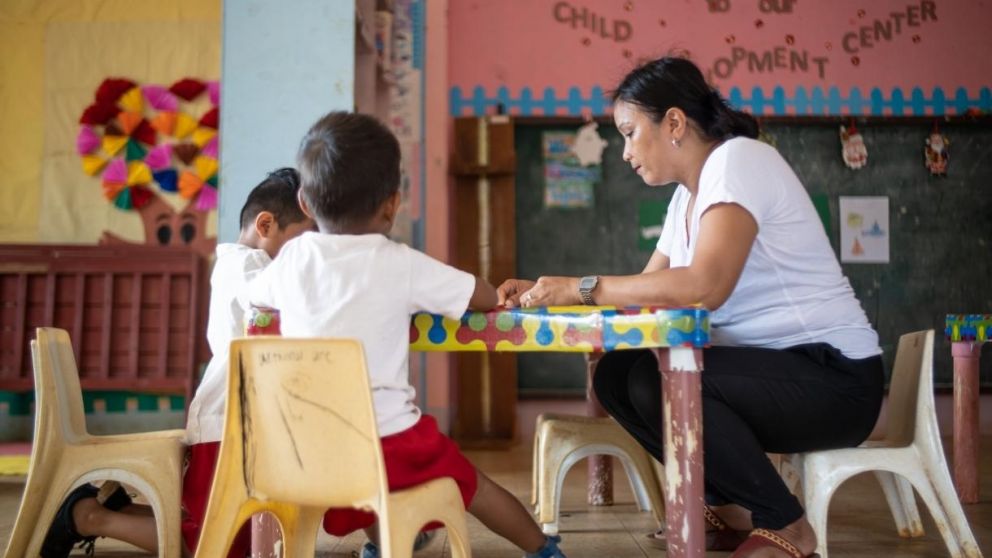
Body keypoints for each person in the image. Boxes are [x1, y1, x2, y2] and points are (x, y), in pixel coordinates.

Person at [497, 56, 883, 558]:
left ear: (674, 123)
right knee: (619, 375)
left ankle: (786, 524)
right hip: (773, 377)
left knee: (659, 378)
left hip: (834, 379)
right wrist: (547, 292)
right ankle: (730, 512)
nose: (625, 152)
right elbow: (647, 290)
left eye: (631, 132)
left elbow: (705, 285)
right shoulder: (685, 198)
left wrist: (582, 287)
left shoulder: (737, 160)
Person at [245, 111, 566, 558]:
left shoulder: (293, 258)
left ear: (303, 203)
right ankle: (543, 549)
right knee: (471, 483)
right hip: (390, 446)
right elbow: (477, 295)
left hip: (303, 447)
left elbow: (256, 298)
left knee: (366, 465)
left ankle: (385, 544)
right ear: (392, 203)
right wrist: (500, 291)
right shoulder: (399, 262)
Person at [40, 168, 315, 558]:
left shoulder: (245, 264)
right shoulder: (247, 266)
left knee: (236, 534)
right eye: (302, 245)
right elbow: (283, 298)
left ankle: (118, 509)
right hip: (226, 428)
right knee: (212, 544)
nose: (305, 259)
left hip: (242, 426)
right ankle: (88, 516)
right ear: (266, 224)